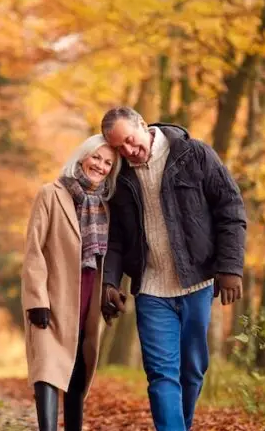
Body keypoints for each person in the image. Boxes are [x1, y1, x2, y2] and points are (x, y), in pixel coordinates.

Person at [99, 107, 247, 431]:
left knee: (192, 370)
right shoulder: (120, 179)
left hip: (197, 282)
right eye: (118, 148)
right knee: (161, 373)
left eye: (129, 141)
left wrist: (231, 266)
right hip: (151, 288)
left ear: (142, 124)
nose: (127, 151)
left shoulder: (193, 154)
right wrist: (109, 281)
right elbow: (115, 239)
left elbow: (231, 208)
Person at [22, 135, 120, 431]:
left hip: (88, 293)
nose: (100, 166)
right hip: (54, 294)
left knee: (78, 368)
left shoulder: (107, 205)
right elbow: (34, 250)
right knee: (48, 367)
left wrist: (109, 291)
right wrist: (37, 299)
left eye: (108, 163)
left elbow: (110, 256)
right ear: (82, 157)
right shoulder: (50, 194)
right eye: (96, 158)